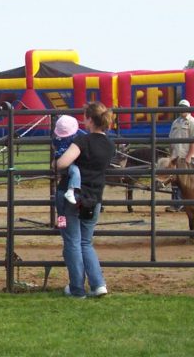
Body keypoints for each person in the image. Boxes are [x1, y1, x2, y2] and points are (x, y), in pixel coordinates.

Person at [54, 102, 116, 298]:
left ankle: (77, 288)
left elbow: (62, 163)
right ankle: (98, 284)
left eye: (85, 117)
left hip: (72, 198)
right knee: (86, 242)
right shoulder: (109, 145)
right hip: (94, 197)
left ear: (89, 119)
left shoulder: (83, 141)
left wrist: (56, 161)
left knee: (72, 242)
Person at [53, 115, 85, 229]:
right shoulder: (75, 139)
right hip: (70, 162)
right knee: (75, 172)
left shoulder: (56, 139)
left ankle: (61, 223)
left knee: (60, 206)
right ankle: (71, 190)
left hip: (60, 162)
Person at [166, 99, 194, 212]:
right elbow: (171, 139)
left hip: (184, 155)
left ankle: (183, 203)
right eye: (180, 107)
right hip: (175, 155)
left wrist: (189, 155)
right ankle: (175, 203)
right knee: (174, 180)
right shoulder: (175, 122)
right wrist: (171, 154)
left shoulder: (192, 122)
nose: (182, 109)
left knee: (184, 180)